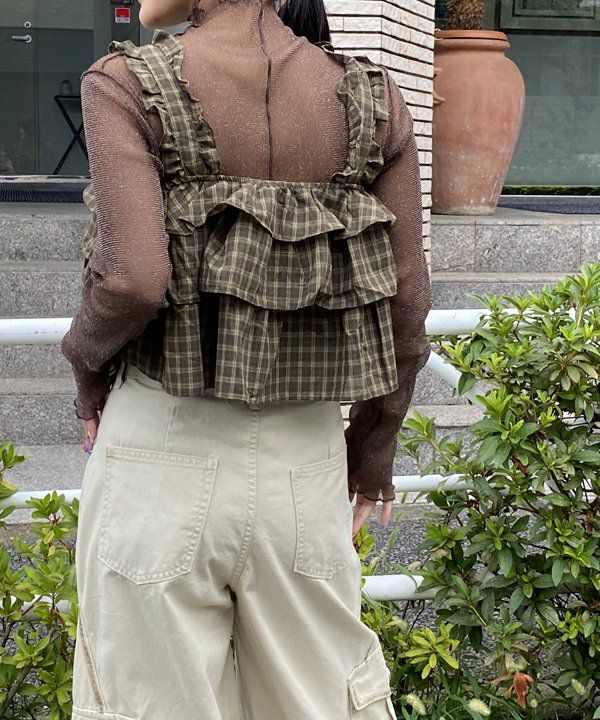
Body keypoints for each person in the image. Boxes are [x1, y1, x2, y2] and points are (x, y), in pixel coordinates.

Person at [61, 0, 432, 717]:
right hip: (306, 460)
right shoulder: (375, 101)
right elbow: (407, 306)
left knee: (147, 703)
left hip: (161, 444)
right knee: (321, 700)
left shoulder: (125, 82)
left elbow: (132, 280)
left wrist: (85, 370)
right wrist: (370, 451)